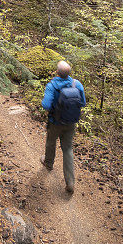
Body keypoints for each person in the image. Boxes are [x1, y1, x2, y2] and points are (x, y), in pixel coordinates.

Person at [40, 60, 86, 194]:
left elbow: (46, 105)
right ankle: (70, 182)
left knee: (51, 142)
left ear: (57, 72)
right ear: (69, 73)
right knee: (68, 149)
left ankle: (48, 163)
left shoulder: (52, 86)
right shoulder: (76, 84)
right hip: (71, 123)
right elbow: (82, 103)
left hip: (55, 121)